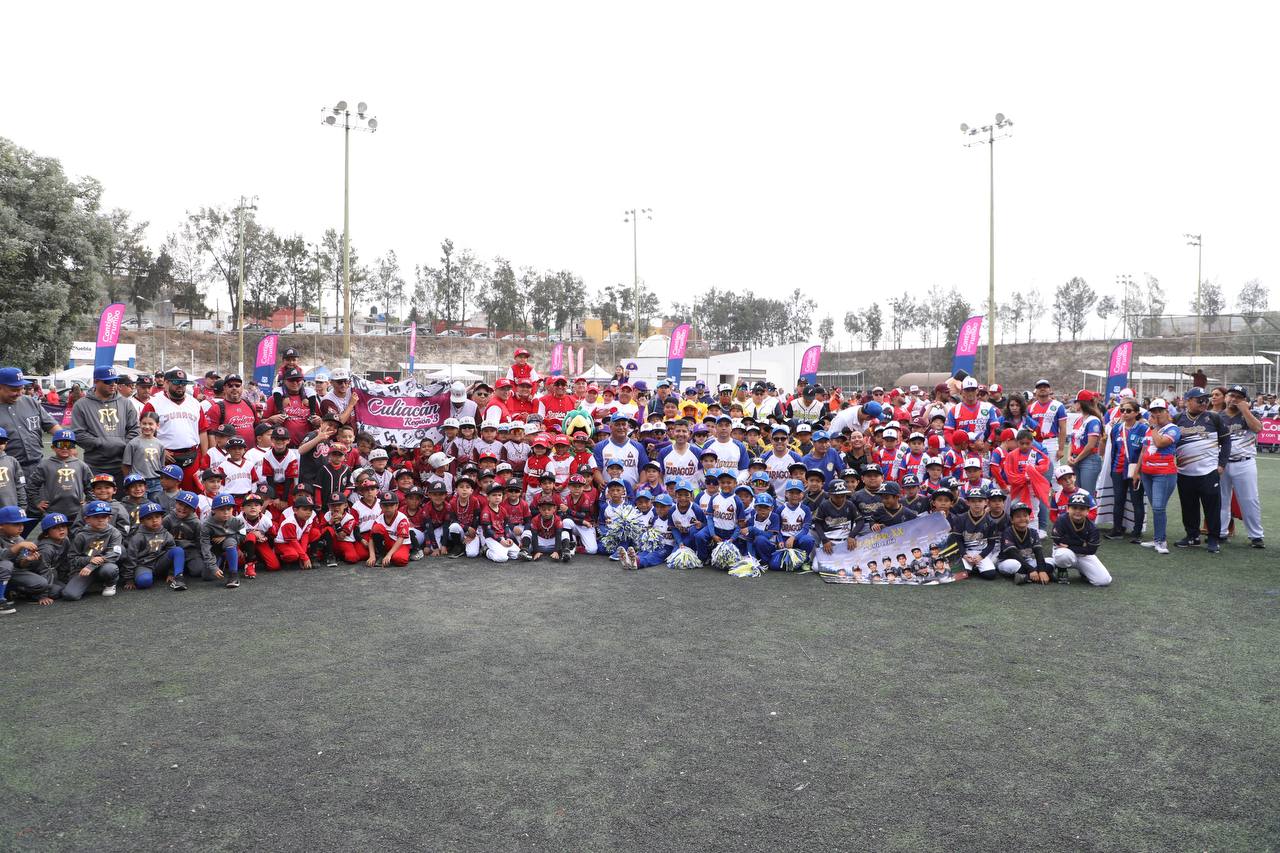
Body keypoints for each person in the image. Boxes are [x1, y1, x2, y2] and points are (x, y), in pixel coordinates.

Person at [1173, 387, 1230, 554]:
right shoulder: (1177, 419)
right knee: (1188, 506)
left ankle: (1213, 539)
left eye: (1206, 399)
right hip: (1184, 472)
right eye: (1200, 400)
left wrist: (1222, 464)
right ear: (1188, 401)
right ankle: (1192, 536)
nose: (1204, 402)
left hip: (1208, 472)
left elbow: (1226, 441)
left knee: (1212, 507)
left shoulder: (1213, 417)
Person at [70, 365, 140, 481]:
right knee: (96, 493)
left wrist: (123, 444)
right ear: (96, 381)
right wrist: (101, 443)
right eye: (108, 381)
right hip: (95, 465)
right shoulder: (81, 405)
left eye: (115, 381)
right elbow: (78, 433)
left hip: (123, 464)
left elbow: (135, 429)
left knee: (122, 493)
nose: (113, 384)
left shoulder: (126, 403)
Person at [141, 368, 204, 491]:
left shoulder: (195, 403)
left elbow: (202, 430)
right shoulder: (153, 403)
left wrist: (204, 457)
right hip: (167, 457)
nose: (180, 386)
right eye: (176, 382)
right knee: (166, 494)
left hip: (191, 455)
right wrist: (160, 451)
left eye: (183, 383)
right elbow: (144, 431)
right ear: (166, 383)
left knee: (191, 495)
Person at [1219, 384, 1264, 548]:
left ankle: (1256, 536)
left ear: (1244, 400)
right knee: (1221, 499)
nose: (1234, 399)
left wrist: (1245, 410)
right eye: (1231, 395)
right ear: (1226, 398)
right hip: (1222, 464)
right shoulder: (1217, 416)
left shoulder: (1251, 414)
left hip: (1244, 462)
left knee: (1249, 499)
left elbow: (1258, 428)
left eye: (1239, 397)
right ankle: (1220, 533)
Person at [0, 367, 59, 476]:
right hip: (7, 471)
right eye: (14, 390)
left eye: (21, 388)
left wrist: (68, 442)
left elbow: (52, 426)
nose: (19, 393)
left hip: (37, 466)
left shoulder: (30, 401)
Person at [1106, 398, 1147, 542]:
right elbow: (1114, 449)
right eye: (1122, 410)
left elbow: (1145, 451)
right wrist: (1112, 469)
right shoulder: (1117, 428)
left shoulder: (1143, 429)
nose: (1124, 413)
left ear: (1136, 413)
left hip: (1135, 471)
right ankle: (1117, 529)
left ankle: (1137, 532)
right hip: (1117, 469)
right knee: (1118, 500)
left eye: (1128, 411)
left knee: (1137, 501)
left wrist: (1140, 471)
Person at [64, 500, 123, 600]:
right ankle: (93, 583)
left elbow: (114, 554)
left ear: (109, 518)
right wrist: (89, 560)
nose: (100, 520)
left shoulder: (115, 533)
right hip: (84, 568)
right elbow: (72, 558)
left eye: (104, 517)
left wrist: (92, 565)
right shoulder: (81, 535)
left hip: (103, 566)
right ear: (87, 519)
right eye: (96, 517)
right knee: (70, 595)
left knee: (110, 569)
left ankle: (110, 583)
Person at [1052, 491, 1111, 586]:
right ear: (1068, 508)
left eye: (1082, 508)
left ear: (1088, 511)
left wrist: (1069, 545)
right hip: (1065, 552)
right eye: (1074, 507)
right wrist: (1082, 544)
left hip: (1084, 555)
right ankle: (1061, 569)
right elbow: (1058, 540)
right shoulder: (1061, 520)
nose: (1078, 511)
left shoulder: (1092, 527)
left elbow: (1091, 550)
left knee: (1104, 581)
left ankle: (1084, 572)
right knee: (1063, 555)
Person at [1066, 390, 1104, 494]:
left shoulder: (1093, 420)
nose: (1074, 404)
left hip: (1089, 460)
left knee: (1087, 494)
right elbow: (1072, 441)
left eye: (1076, 402)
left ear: (1081, 403)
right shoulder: (1078, 420)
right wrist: (1069, 457)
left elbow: (1091, 445)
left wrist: (1076, 459)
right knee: (1077, 494)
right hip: (1076, 459)